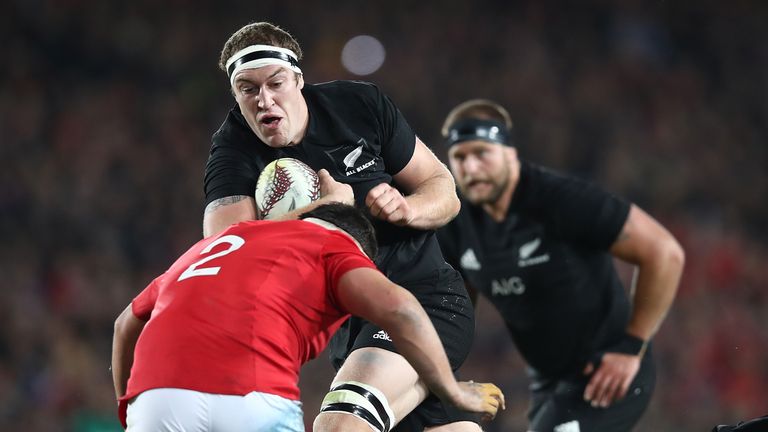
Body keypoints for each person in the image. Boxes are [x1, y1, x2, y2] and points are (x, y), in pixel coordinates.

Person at [202, 22, 486, 432]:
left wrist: (407, 208)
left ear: (298, 79)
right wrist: (326, 210)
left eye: (275, 83)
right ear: (235, 95)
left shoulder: (358, 105)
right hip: (349, 328)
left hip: (423, 301)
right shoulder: (232, 152)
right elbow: (226, 254)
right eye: (248, 88)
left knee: (339, 425)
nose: (264, 99)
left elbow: (444, 190)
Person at [112, 203, 505, 431]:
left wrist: (129, 410)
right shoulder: (334, 244)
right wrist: (454, 390)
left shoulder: (210, 247)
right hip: (250, 393)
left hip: (153, 401)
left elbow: (125, 324)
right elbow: (401, 308)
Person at [436, 99, 685, 432]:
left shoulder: (560, 200)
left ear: (510, 153)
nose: (471, 167)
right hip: (549, 382)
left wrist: (631, 348)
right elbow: (455, 309)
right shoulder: (458, 223)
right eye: (460, 157)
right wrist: (442, 381)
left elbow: (664, 252)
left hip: (608, 372)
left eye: (482, 153)